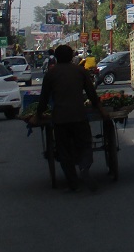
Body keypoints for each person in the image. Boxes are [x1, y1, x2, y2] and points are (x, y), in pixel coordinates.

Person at [33, 43, 108, 192]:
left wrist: (38, 115)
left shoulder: (51, 74)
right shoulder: (80, 71)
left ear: (56, 57)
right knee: (86, 144)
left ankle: (72, 182)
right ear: (72, 57)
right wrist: (101, 110)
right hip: (79, 116)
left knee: (64, 150)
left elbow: (43, 99)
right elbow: (92, 94)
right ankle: (84, 167)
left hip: (60, 119)